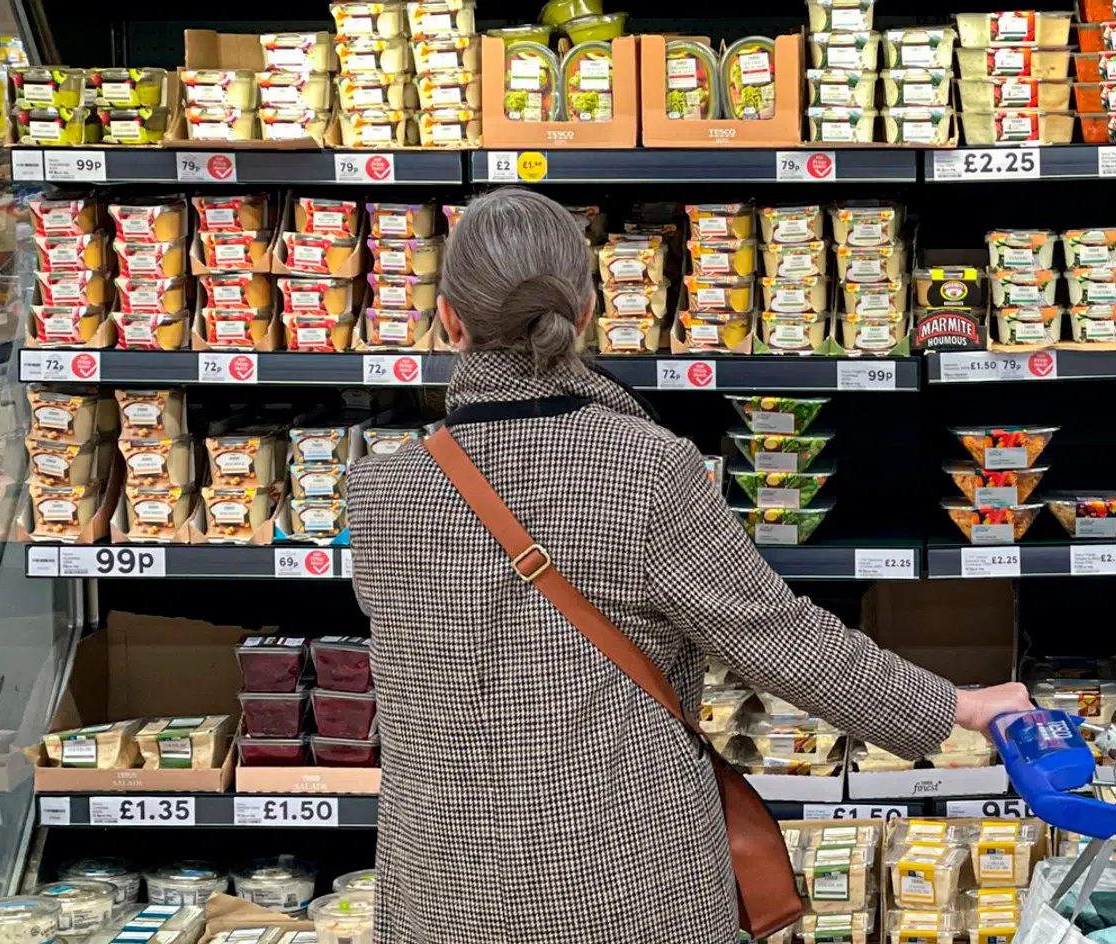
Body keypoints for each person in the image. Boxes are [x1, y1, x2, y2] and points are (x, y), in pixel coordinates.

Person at [346, 187, 1033, 944]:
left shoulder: (379, 491)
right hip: (627, 881)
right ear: (587, 310)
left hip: (440, 892)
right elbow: (777, 639)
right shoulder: (646, 469)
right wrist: (956, 708)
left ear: (448, 319)